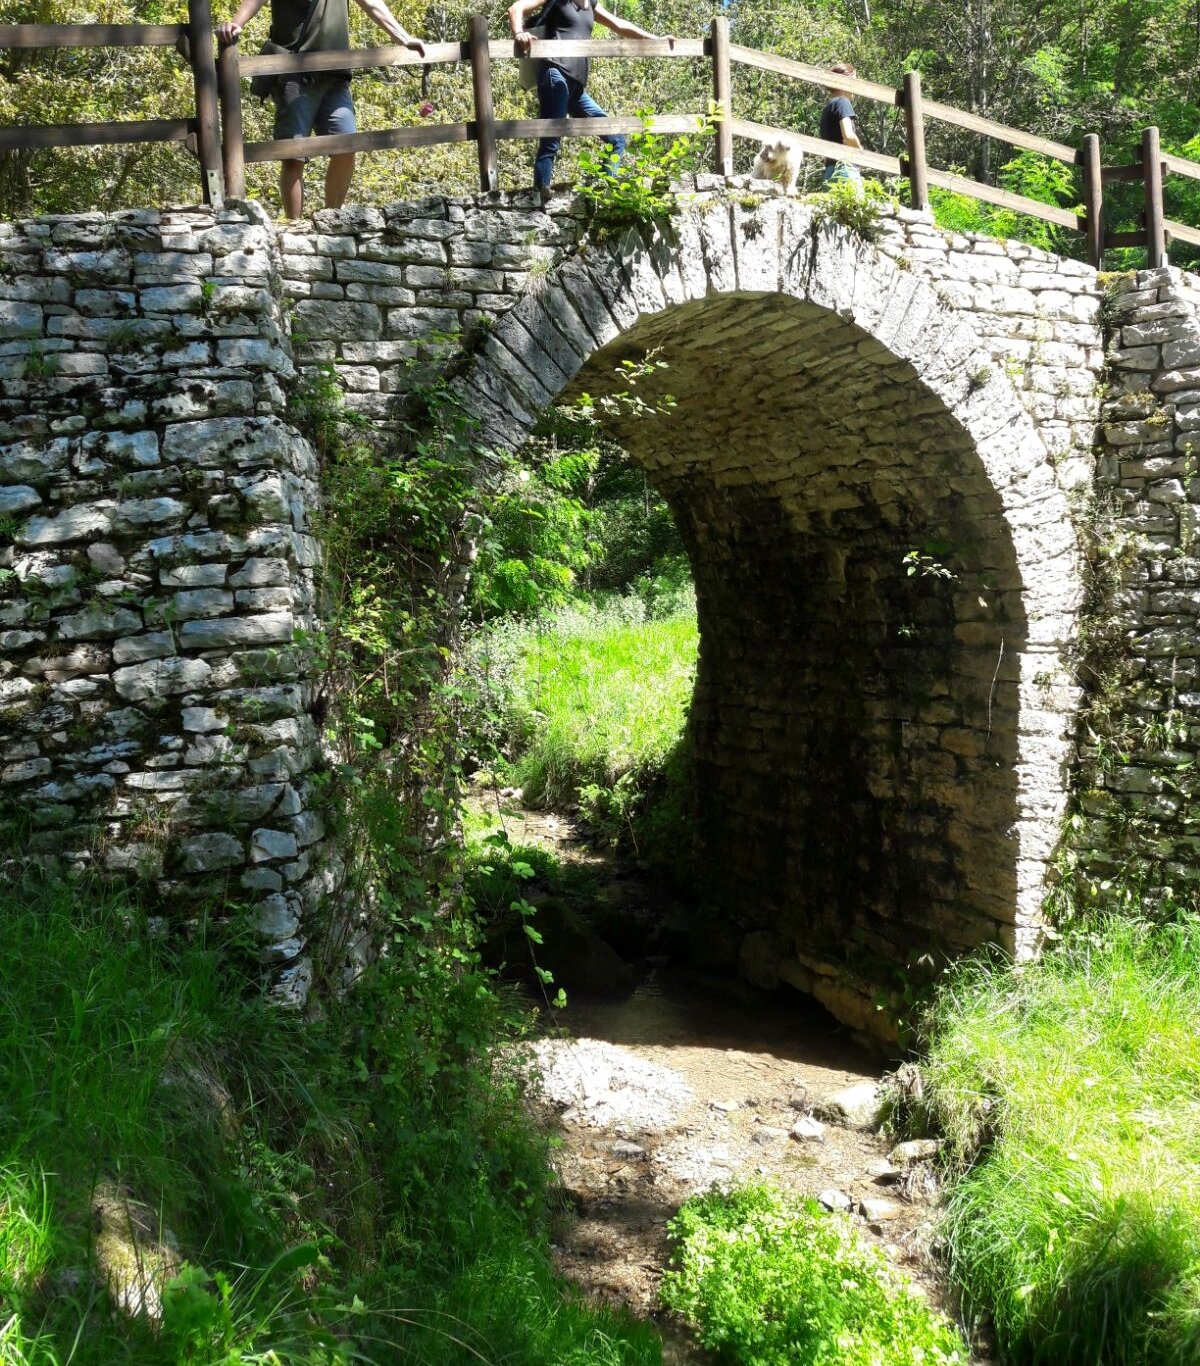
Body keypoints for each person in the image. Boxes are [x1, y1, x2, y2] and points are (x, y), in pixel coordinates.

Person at [217, 0, 425, 219]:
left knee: (346, 145)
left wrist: (403, 37)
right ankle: (294, 226)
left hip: (335, 75)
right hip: (294, 73)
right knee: (293, 155)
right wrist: (236, 23)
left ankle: (332, 220)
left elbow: (372, 3)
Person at [508, 0, 673, 202]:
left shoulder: (591, 4)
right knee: (552, 138)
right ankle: (540, 197)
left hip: (576, 86)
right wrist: (519, 33)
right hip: (554, 72)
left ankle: (604, 193)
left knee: (616, 138)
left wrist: (655, 39)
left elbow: (620, 25)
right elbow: (516, 8)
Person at [819, 62, 863, 188]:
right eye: (854, 81)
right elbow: (848, 135)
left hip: (830, 171)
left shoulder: (828, 107)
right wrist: (861, 154)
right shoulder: (843, 102)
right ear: (845, 82)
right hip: (845, 170)